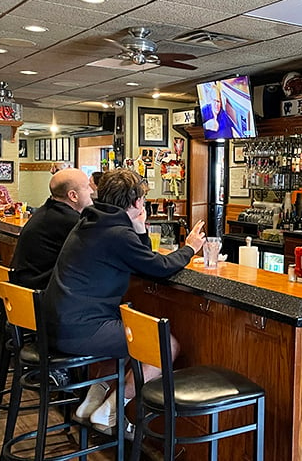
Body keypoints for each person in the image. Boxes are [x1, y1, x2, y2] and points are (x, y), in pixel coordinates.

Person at [42, 169, 205, 435]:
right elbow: (160, 266)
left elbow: (140, 259)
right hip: (78, 329)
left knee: (121, 339)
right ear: (137, 202)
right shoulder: (117, 233)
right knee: (166, 345)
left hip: (59, 322)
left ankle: (91, 404)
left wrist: (139, 228)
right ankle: (114, 409)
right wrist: (190, 247)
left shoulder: (91, 220)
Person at [10, 168, 93, 290]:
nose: (91, 191)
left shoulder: (48, 210)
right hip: (39, 294)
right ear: (73, 196)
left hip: (24, 288)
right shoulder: (69, 220)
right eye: (87, 187)